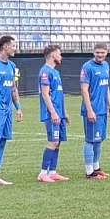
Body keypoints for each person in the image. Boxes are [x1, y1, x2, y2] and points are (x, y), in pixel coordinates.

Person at [80, 42, 110, 179]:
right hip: (92, 110)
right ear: (93, 52)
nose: (100, 55)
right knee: (90, 140)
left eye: (102, 52)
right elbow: (84, 89)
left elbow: (106, 87)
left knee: (99, 139)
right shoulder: (87, 67)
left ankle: (96, 167)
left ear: (107, 52)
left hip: (102, 110)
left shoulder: (106, 66)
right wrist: (89, 110)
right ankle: (89, 172)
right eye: (97, 52)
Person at [37, 44, 70, 183]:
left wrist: (64, 113)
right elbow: (45, 94)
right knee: (53, 141)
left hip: (59, 113)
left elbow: (58, 95)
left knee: (58, 142)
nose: (61, 56)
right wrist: (53, 113)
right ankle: (43, 173)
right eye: (59, 54)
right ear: (53, 55)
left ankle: (52, 172)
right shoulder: (45, 72)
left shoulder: (55, 72)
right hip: (52, 114)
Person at [0, 35, 22, 186]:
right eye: (13, 46)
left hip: (7, 111)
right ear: (6, 47)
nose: (15, 48)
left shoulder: (12, 66)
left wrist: (18, 107)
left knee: (2, 141)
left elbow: (13, 88)